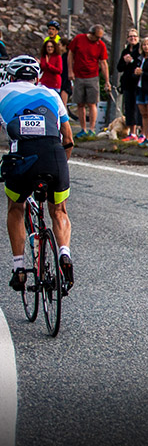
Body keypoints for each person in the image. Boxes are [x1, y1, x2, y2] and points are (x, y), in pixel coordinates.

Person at [1, 56, 75, 292]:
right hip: (54, 156)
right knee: (59, 210)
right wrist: (61, 166)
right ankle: (65, 253)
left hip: (23, 157)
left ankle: (19, 268)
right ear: (37, 77)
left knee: (16, 207)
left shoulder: (2, 92)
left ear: (11, 77)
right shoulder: (52, 93)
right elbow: (69, 138)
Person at [67, 25, 111, 138]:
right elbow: (70, 54)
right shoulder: (79, 39)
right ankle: (83, 128)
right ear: (91, 34)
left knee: (92, 103)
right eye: (97, 37)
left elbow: (103, 63)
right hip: (79, 76)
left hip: (93, 76)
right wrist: (70, 71)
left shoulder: (100, 45)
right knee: (80, 103)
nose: (98, 40)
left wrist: (107, 81)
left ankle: (91, 128)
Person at [116, 29, 142, 142]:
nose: (133, 38)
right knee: (129, 108)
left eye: (135, 37)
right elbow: (119, 67)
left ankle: (139, 132)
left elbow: (139, 65)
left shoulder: (140, 51)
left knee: (138, 108)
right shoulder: (125, 51)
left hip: (137, 84)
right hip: (127, 84)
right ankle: (132, 132)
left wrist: (131, 61)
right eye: (130, 36)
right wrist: (125, 61)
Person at [58, 38, 73, 114]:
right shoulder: (63, 56)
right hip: (63, 80)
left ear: (64, 46)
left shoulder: (66, 57)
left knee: (63, 104)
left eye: (59, 45)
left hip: (65, 81)